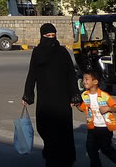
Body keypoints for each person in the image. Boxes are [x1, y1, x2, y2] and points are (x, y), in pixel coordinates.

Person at [22, 23, 78, 167]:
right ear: (42, 36)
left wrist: (74, 95)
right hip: (45, 98)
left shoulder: (62, 52)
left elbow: (71, 74)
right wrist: (27, 95)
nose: (51, 38)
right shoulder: (37, 52)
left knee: (63, 129)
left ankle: (63, 159)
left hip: (62, 97)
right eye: (47, 36)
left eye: (53, 36)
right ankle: (51, 153)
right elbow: (32, 74)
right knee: (44, 127)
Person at [77, 69, 116, 167]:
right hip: (92, 128)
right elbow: (83, 108)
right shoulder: (84, 95)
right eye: (84, 79)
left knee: (106, 149)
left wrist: (108, 108)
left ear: (95, 81)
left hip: (105, 128)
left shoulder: (105, 96)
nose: (84, 81)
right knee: (91, 149)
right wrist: (77, 104)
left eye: (87, 79)